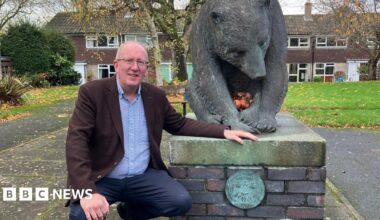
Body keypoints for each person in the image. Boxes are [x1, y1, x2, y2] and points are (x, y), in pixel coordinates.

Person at [66, 41, 257, 220]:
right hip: (103, 176)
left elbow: (180, 124)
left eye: (141, 62)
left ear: (146, 69)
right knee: (81, 214)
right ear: (116, 65)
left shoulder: (154, 96)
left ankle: (129, 211)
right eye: (129, 61)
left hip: (142, 176)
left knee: (179, 202)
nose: (135, 67)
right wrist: (87, 191)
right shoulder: (92, 92)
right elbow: (76, 141)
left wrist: (224, 131)